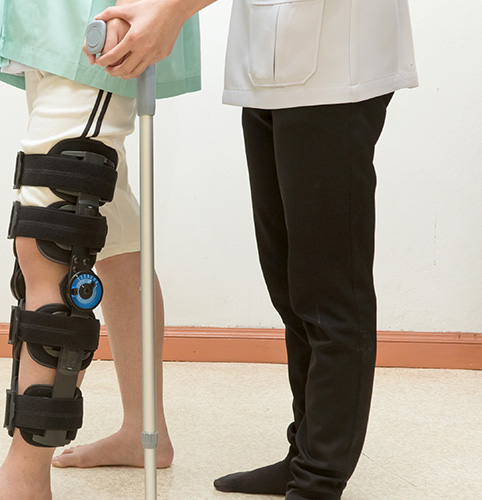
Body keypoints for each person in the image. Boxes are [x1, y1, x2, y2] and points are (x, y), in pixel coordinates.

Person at [91, 0, 418, 499]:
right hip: (269, 64)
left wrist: (174, 11)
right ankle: (303, 456)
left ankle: (318, 481)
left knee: (329, 293)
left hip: (338, 63)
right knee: (290, 288)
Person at [0, 1, 202, 498]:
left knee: (55, 231)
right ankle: (143, 430)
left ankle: (25, 477)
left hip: (102, 28)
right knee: (112, 240)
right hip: (43, 29)